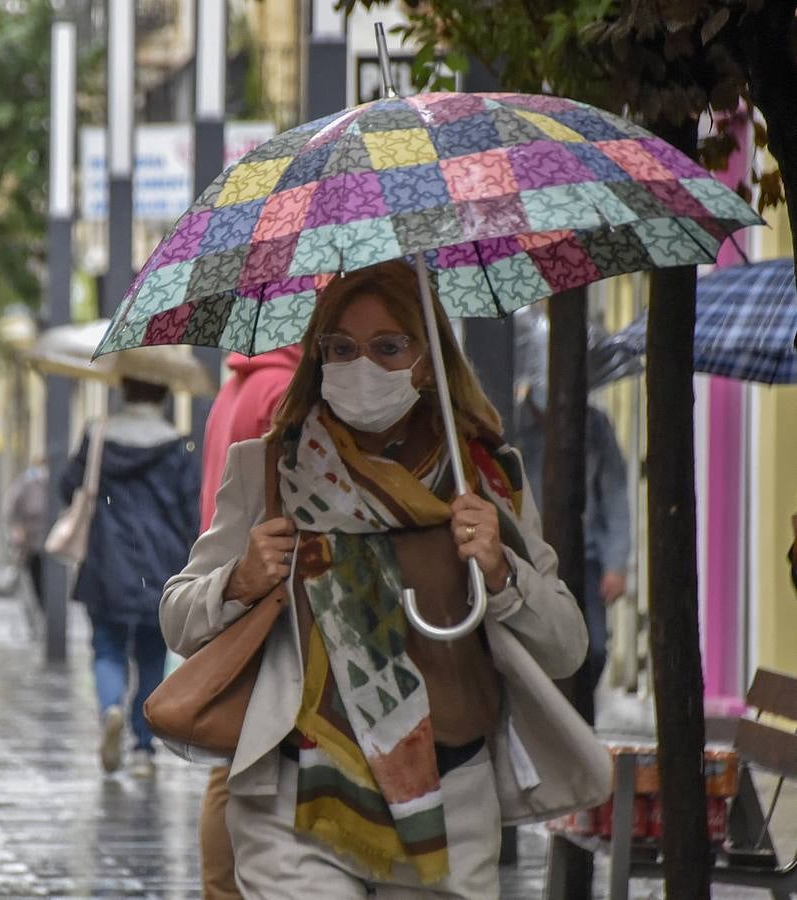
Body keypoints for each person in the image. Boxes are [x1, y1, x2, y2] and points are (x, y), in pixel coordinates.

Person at [162, 260, 607, 897]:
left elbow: (566, 645)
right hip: (297, 801)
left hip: (449, 804)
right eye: (341, 348)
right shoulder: (269, 467)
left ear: (426, 361)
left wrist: (502, 571)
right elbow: (177, 618)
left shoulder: (482, 479)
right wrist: (238, 580)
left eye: (387, 347)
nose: (360, 366)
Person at [198, 346, 301, 900]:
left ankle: (220, 887)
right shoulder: (280, 390)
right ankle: (224, 888)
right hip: (263, 583)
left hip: (231, 572)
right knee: (241, 759)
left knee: (231, 754)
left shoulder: (231, 389)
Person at [61, 377, 199, 778]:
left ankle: (111, 709)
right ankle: (142, 747)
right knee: (152, 655)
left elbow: (67, 485)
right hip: (161, 566)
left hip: (107, 562)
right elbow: (191, 511)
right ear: (165, 394)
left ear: (124, 390)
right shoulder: (177, 446)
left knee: (106, 647)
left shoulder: (99, 437)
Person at [513, 388, 630, 696]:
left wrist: (616, 565)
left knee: (594, 649)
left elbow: (615, 495)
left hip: (584, 557)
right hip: (526, 558)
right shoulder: (512, 423)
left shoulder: (596, 426)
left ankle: (576, 718)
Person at [5, 459, 48, 606]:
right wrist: (17, 528)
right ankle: (39, 604)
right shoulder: (25, 483)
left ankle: (42, 604)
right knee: (35, 572)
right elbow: (11, 507)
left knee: (44, 575)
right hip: (31, 540)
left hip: (47, 539)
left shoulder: (50, 483)